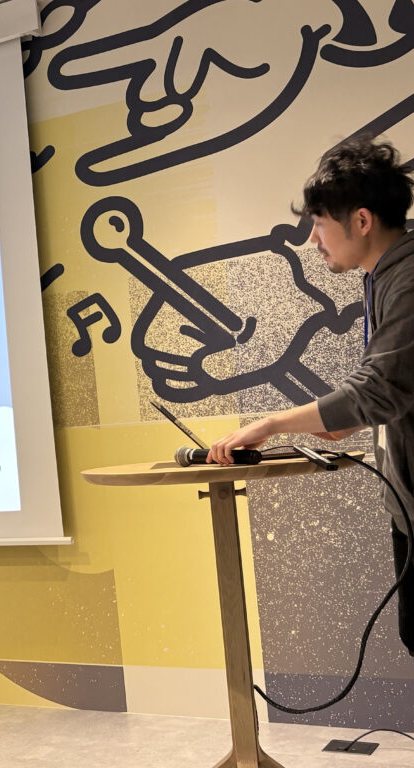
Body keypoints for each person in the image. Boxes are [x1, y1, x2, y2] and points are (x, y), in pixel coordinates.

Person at [206, 135, 414, 656]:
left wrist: (272, 423)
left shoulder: (408, 278)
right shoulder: (385, 276)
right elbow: (392, 387)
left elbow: (380, 388)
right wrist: (340, 420)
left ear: (361, 221)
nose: (313, 239)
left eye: (319, 223)